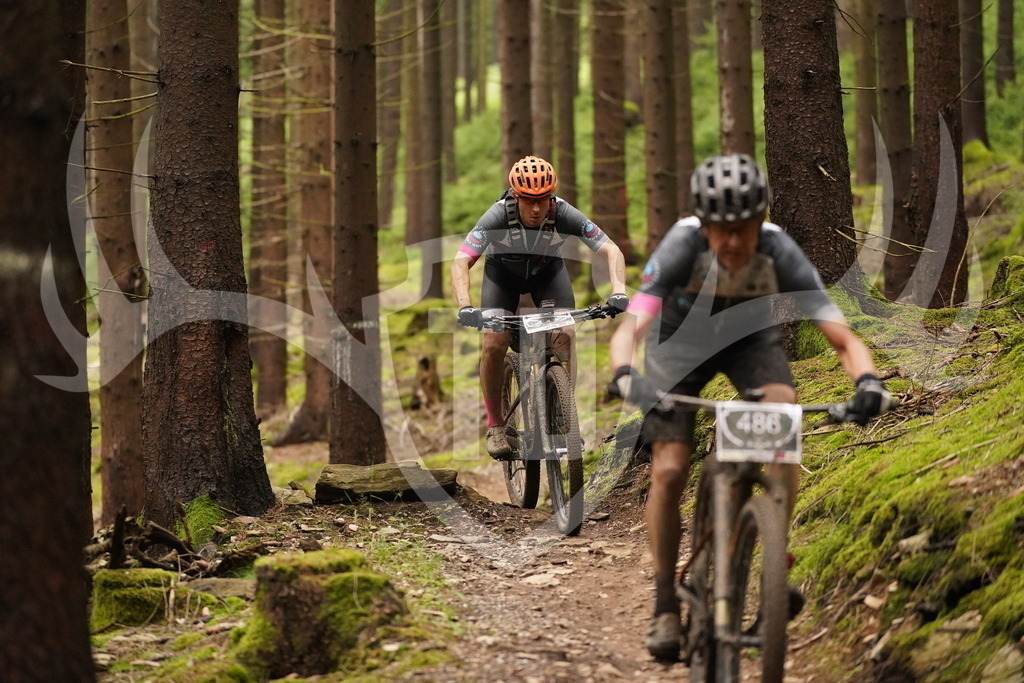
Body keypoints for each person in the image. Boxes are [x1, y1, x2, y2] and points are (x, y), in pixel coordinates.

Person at [607, 153, 890, 661]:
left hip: (749, 340)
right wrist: (625, 372)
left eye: (744, 228)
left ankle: (773, 567)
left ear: (761, 220)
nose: (733, 241)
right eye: (721, 229)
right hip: (679, 344)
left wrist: (868, 381)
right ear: (704, 224)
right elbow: (635, 322)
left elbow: (842, 337)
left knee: (784, 416)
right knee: (669, 469)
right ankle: (665, 602)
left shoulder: (780, 250)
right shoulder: (681, 246)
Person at [452, 155, 629, 459]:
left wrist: (619, 290)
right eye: (528, 201)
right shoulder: (496, 216)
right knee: (494, 343)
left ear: (551, 197)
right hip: (502, 279)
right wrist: (465, 306)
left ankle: (561, 416)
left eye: (543, 200)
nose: (536, 209)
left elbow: (611, 249)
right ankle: (495, 425)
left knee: (565, 333)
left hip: (547, 275)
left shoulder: (563, 213)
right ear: (515, 196)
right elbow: (460, 262)